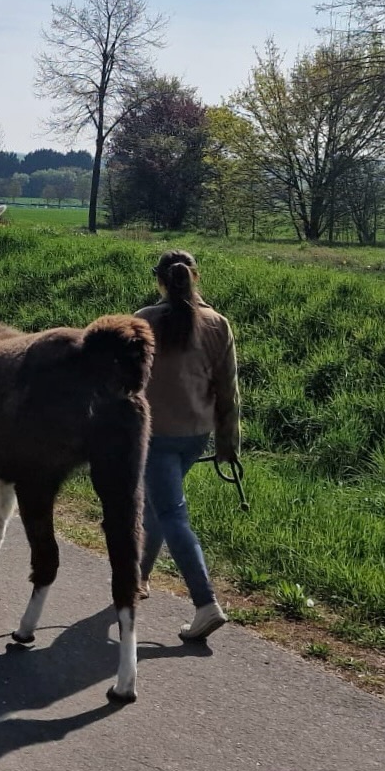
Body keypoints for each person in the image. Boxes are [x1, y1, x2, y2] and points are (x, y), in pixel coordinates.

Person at [135, 250, 240, 643]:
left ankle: (206, 603)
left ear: (158, 278)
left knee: (171, 512)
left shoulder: (145, 320)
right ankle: (139, 577)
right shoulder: (218, 324)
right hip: (196, 435)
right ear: (195, 277)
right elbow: (228, 389)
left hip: (155, 433)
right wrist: (228, 444)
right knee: (160, 504)